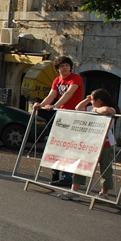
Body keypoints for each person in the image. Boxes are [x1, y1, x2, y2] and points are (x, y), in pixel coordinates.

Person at [33, 56, 84, 187]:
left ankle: (67, 177)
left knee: (69, 147)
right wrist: (41, 104)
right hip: (62, 114)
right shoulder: (57, 80)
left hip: (74, 114)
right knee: (56, 144)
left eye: (67, 65)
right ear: (57, 69)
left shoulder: (76, 78)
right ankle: (55, 172)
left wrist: (55, 106)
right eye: (62, 66)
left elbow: (69, 94)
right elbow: (52, 95)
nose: (65, 68)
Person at [60, 89, 119, 201]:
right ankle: (74, 190)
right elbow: (78, 108)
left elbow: (107, 110)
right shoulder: (91, 107)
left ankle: (104, 192)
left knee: (105, 168)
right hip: (91, 142)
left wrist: (96, 109)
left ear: (100, 101)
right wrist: (87, 100)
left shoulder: (110, 108)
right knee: (81, 164)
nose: (91, 103)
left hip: (105, 143)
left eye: (93, 100)